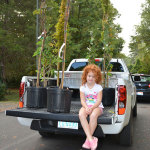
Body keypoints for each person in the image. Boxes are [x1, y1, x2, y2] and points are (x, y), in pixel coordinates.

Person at [79, 64, 103, 150]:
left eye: (93, 76)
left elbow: (99, 101)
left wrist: (92, 108)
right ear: (85, 76)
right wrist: (86, 107)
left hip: (97, 107)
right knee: (81, 114)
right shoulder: (83, 87)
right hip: (86, 106)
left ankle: (87, 140)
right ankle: (91, 139)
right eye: (89, 76)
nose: (91, 78)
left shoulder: (98, 87)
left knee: (93, 116)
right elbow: (82, 100)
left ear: (97, 77)